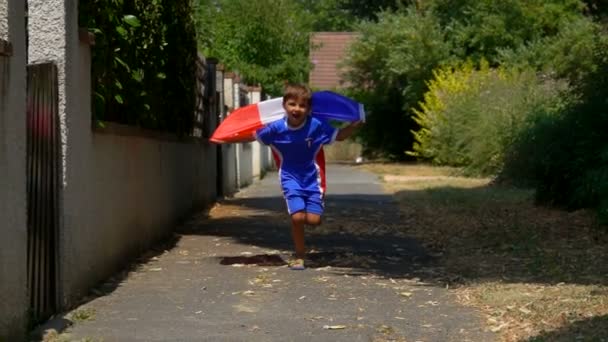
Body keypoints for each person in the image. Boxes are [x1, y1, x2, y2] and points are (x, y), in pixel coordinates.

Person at [254, 83, 362, 270]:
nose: (297, 109)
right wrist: (234, 135)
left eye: (302, 105)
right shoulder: (277, 128)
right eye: (292, 104)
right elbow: (258, 136)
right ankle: (299, 255)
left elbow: (340, 136)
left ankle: (313, 211)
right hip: (289, 177)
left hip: (313, 180)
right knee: (297, 218)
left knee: (313, 220)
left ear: (309, 108)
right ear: (284, 106)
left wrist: (354, 125)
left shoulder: (316, 126)